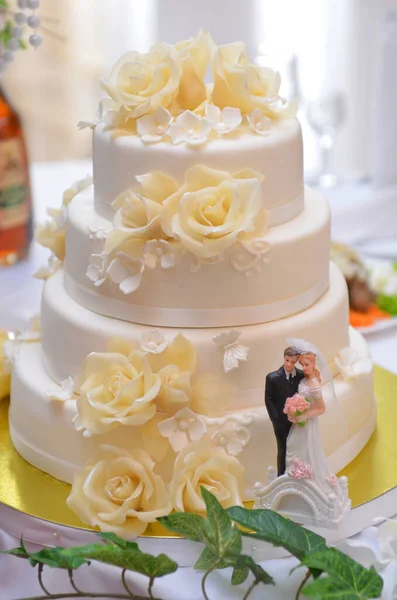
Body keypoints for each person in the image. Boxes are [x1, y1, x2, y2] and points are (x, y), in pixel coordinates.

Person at [285, 351, 339, 494]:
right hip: (299, 420)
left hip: (308, 422)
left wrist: (304, 415)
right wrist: (293, 410)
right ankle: (296, 483)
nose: (304, 368)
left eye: (307, 364)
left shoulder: (314, 385)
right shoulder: (304, 380)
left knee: (305, 448)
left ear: (314, 364)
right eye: (302, 365)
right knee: (293, 446)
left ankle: (309, 483)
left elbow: (321, 408)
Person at [264, 347, 305, 476]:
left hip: (297, 420)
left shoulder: (301, 376)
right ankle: (281, 477)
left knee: (297, 447)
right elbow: (268, 399)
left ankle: (297, 473)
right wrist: (275, 418)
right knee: (282, 449)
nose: (289, 364)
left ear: (296, 361)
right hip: (280, 421)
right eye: (287, 360)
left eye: (292, 362)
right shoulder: (272, 378)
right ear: (284, 358)